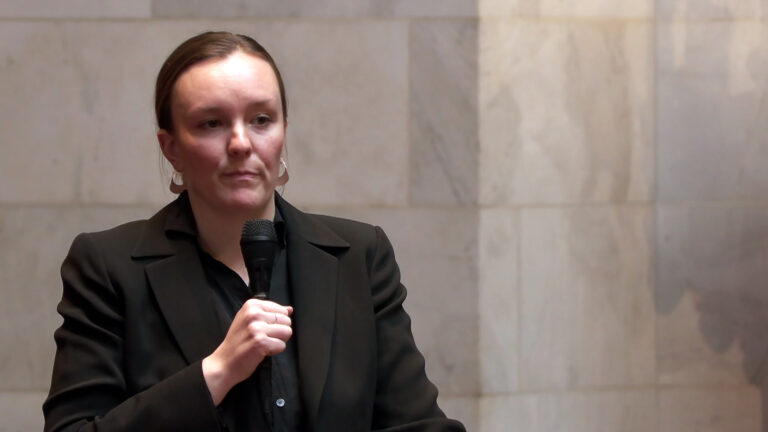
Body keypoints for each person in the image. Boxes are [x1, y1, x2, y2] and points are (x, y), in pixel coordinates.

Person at [42, 31, 465, 432]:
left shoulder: (358, 255)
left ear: (283, 132)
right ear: (171, 148)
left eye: (261, 119)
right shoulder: (108, 266)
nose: (242, 143)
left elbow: (419, 424)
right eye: (212, 123)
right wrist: (217, 372)